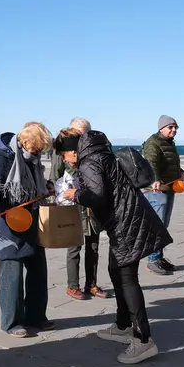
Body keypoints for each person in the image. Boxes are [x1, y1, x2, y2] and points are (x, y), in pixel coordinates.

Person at [62, 130, 170, 364]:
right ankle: (123, 325)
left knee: (126, 278)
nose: (65, 160)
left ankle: (143, 340)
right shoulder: (102, 155)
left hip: (126, 223)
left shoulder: (89, 161)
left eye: (64, 155)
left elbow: (97, 195)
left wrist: (75, 194)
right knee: (115, 270)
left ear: (73, 151)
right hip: (129, 219)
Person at [0, 122, 54, 338]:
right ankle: (11, 322)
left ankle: (36, 316)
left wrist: (46, 187)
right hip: (9, 222)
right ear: (25, 143)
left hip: (32, 218)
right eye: (36, 150)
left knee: (38, 270)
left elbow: (34, 182)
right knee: (12, 274)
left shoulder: (30, 156)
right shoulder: (1, 157)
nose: (38, 154)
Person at [50, 122, 110, 300]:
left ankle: (91, 284)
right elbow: (54, 178)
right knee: (74, 247)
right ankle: (72, 285)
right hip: (72, 206)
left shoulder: (91, 154)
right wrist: (54, 201)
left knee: (93, 247)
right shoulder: (63, 153)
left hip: (92, 207)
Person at [141, 115, 184, 274]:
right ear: (161, 128)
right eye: (170, 127)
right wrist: (155, 180)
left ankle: (158, 257)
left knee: (163, 226)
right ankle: (152, 260)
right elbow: (151, 162)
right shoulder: (153, 143)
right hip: (157, 190)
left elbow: (170, 163)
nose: (174, 130)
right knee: (156, 226)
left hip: (170, 188)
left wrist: (181, 172)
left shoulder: (168, 143)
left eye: (175, 127)